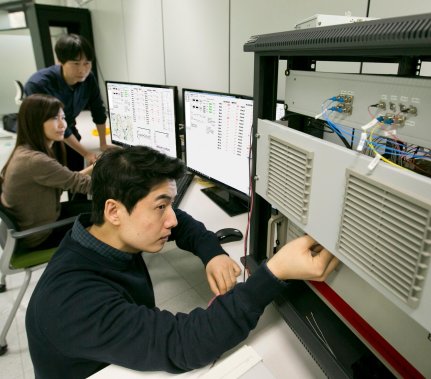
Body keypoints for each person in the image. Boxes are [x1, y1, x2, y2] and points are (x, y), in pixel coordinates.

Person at [25, 145, 338, 379]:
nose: (172, 219)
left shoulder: (98, 234)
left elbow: (184, 223)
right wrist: (274, 273)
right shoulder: (72, 301)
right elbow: (185, 343)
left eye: (170, 203)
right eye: (161, 206)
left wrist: (212, 252)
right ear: (114, 211)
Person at [0, 94, 93, 249]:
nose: (62, 125)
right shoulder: (35, 161)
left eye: (63, 117)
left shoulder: (26, 149)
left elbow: (66, 180)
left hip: (33, 225)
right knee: (109, 215)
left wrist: (94, 167)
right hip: (39, 235)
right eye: (54, 118)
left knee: (93, 206)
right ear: (35, 122)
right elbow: (86, 185)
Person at [24, 33, 109, 172]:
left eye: (87, 63)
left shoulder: (88, 78)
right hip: (43, 138)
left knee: (76, 174)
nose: (82, 70)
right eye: (76, 63)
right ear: (60, 61)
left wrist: (103, 144)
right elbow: (56, 124)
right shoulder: (39, 84)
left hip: (68, 130)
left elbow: (98, 109)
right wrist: (86, 153)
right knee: (53, 179)